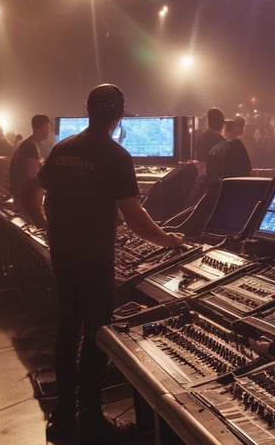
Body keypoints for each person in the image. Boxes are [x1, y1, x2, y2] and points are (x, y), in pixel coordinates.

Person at [39, 84, 184, 443]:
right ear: (119, 115)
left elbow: (33, 193)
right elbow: (134, 217)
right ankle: (90, 418)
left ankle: (63, 417)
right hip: (94, 256)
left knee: (67, 328)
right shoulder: (116, 155)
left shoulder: (62, 148)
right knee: (97, 333)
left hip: (63, 253)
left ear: (87, 110)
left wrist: (48, 227)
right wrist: (168, 240)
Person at [9, 114, 50, 228]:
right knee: (42, 228)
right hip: (27, 199)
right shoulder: (31, 146)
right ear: (42, 127)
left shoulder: (28, 144)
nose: (49, 131)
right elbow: (33, 176)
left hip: (21, 196)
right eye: (48, 127)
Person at [205, 116, 252, 189]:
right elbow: (247, 167)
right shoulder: (236, 145)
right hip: (236, 185)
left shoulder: (222, 146)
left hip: (224, 185)